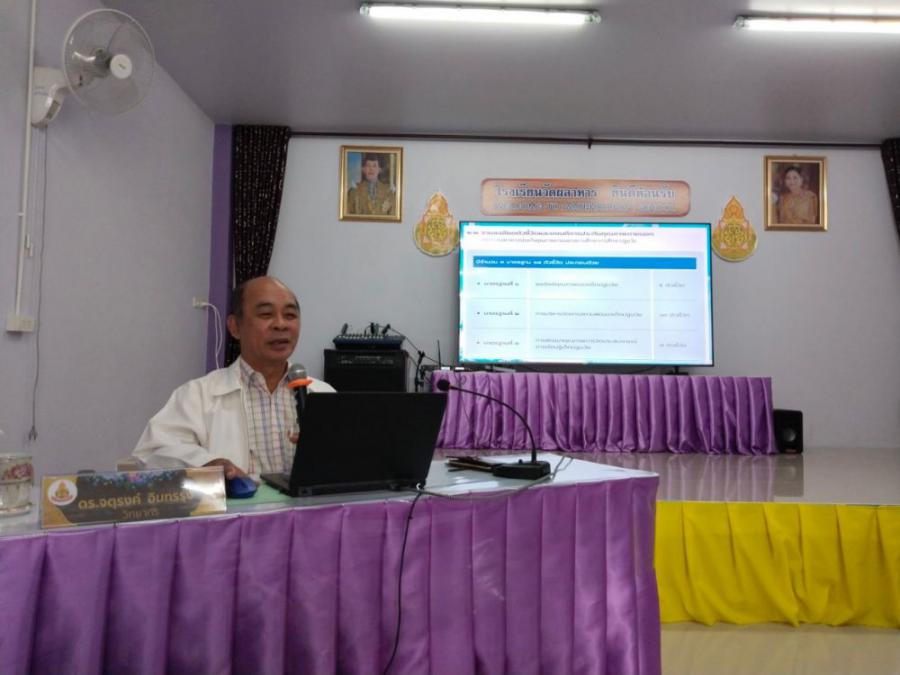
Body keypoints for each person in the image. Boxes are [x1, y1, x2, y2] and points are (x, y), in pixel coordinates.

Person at [133, 276, 334, 478]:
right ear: (235, 327)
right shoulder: (196, 396)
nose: (281, 325)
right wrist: (206, 464)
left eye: (290, 315)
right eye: (266, 314)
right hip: (235, 500)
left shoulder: (324, 395)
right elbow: (152, 454)